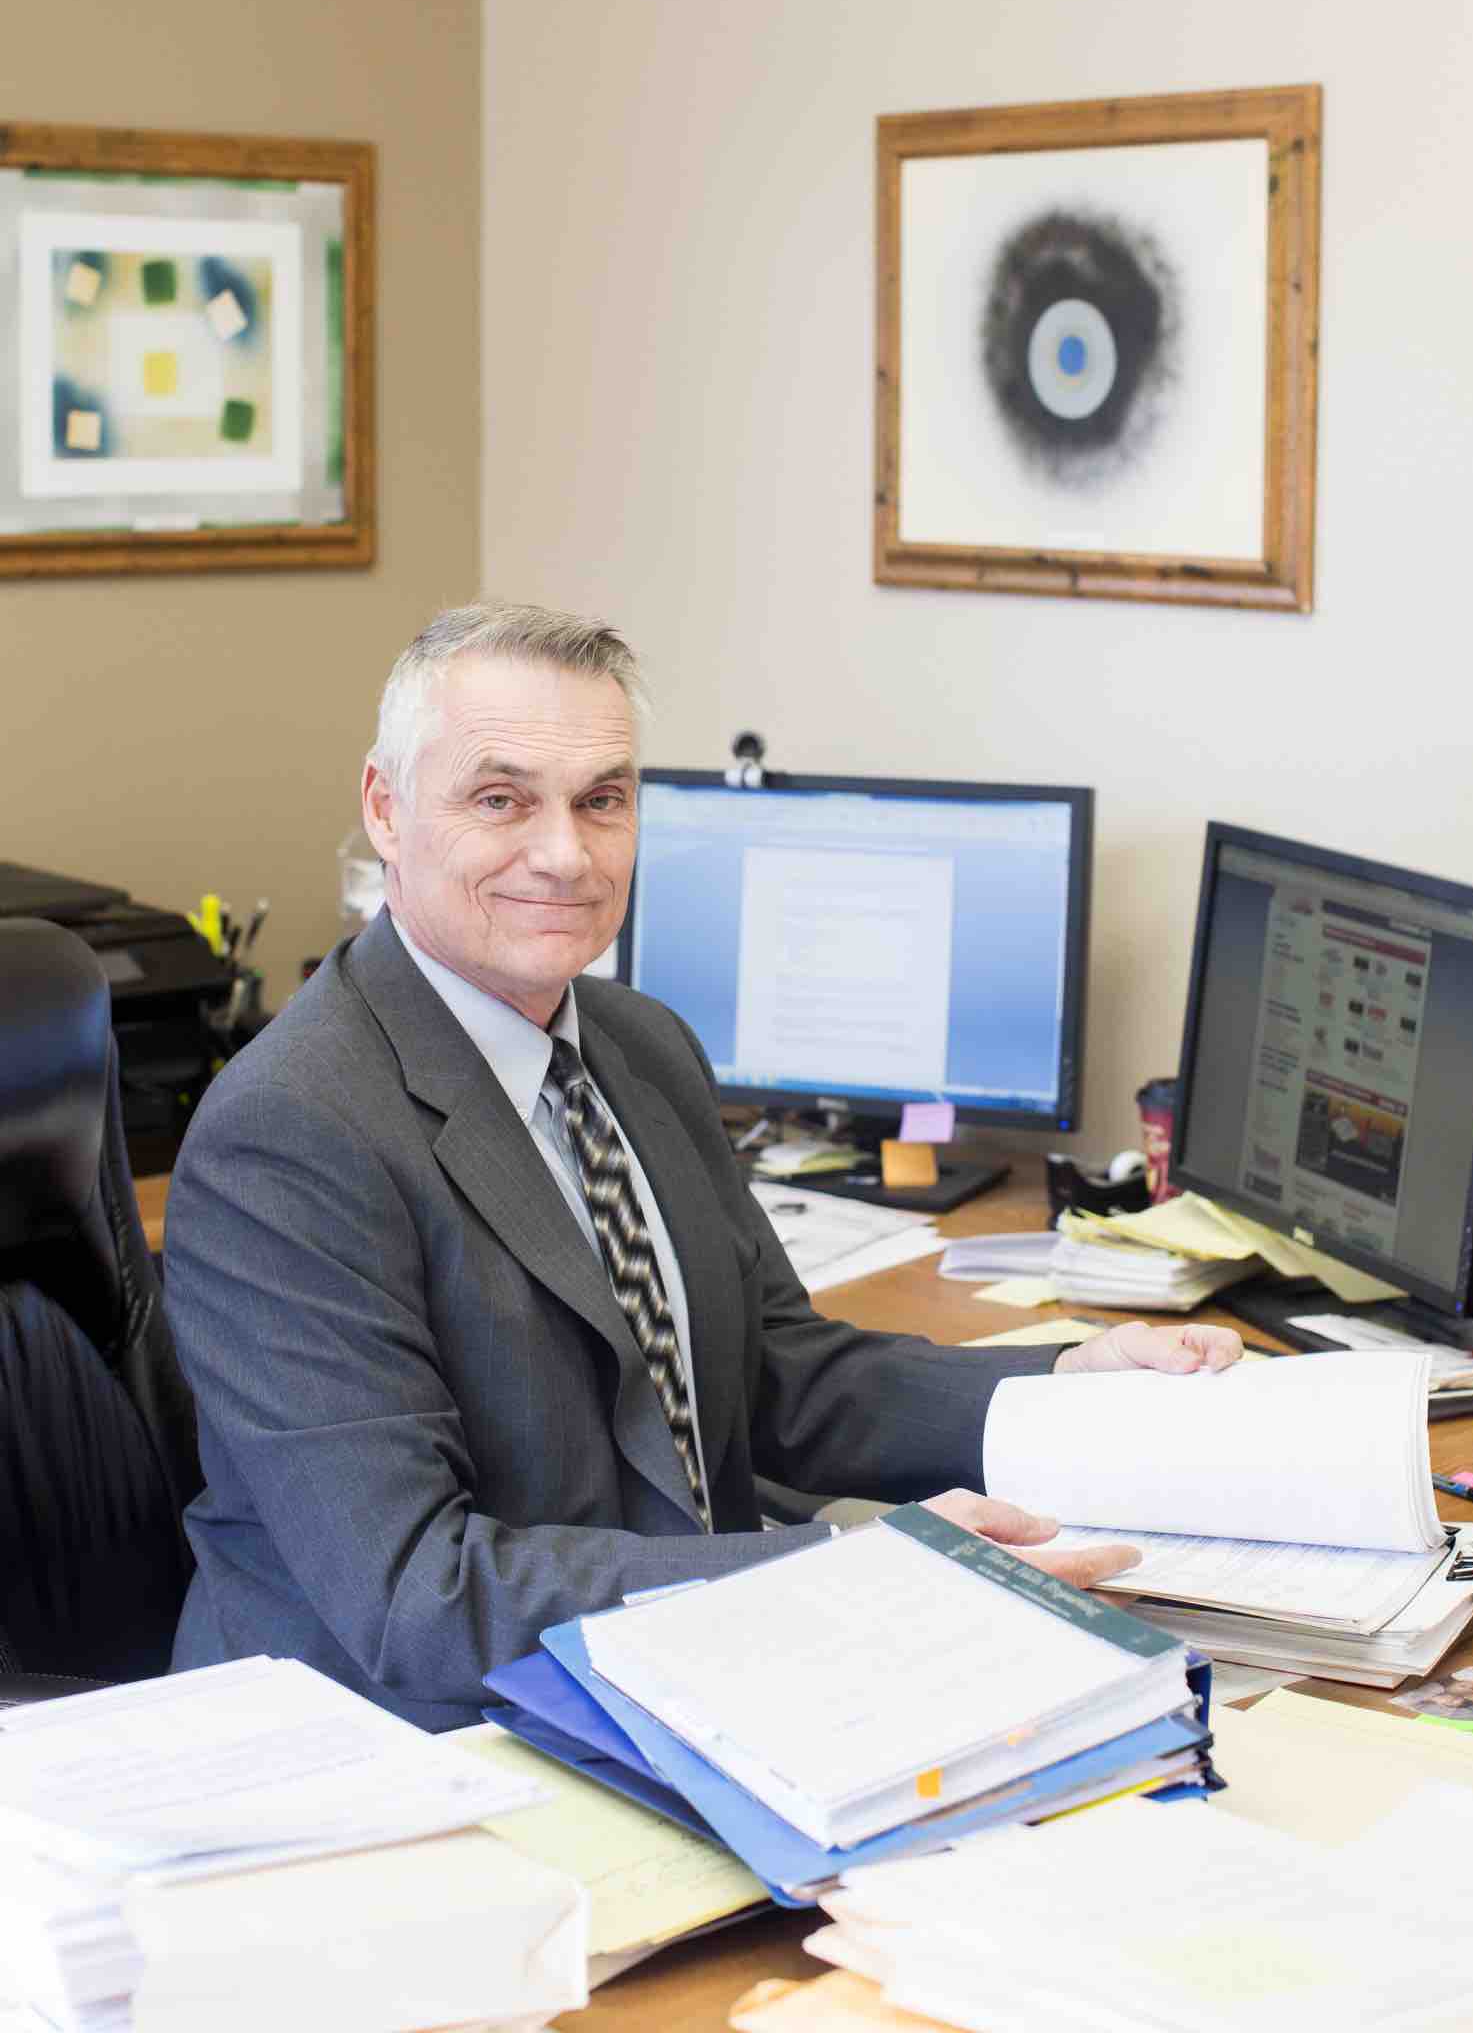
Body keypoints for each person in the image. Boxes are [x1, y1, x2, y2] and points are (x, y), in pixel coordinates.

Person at [165, 604, 1241, 1729]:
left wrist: (1065, 1387)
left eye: (603, 801)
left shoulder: (639, 1045)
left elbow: (775, 1374)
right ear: (386, 810)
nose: (564, 854)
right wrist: (849, 1579)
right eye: (500, 800)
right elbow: (419, 1596)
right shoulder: (290, 1134)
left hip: (678, 1672)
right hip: (400, 1743)